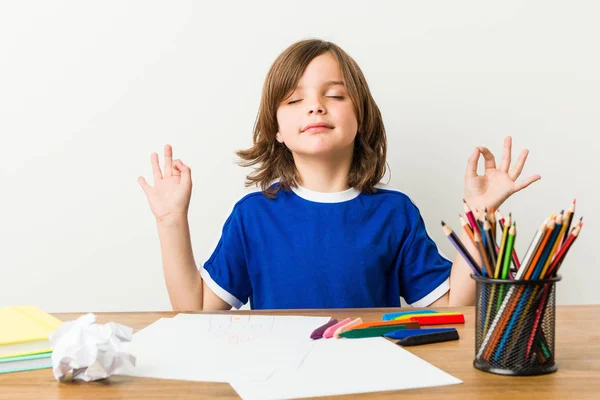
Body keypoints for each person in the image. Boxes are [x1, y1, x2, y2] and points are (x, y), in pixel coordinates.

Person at [138, 39, 541, 311]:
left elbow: (454, 308)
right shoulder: (252, 216)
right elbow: (194, 311)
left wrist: (478, 215)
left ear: (360, 115)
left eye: (333, 95)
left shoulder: (394, 213)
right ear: (276, 129)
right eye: (295, 99)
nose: (315, 107)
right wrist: (170, 220)